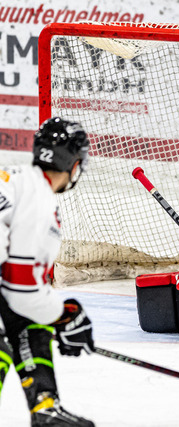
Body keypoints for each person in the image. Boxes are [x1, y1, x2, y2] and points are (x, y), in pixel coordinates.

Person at [0, 117, 95, 427]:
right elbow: (23, 291)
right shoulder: (39, 200)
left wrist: (55, 315)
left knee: (23, 318)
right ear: (73, 164)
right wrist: (64, 316)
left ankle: (45, 406)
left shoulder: (14, 180)